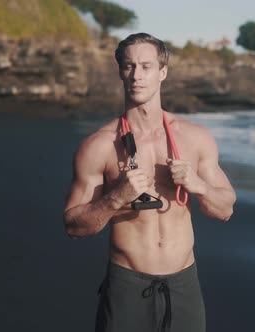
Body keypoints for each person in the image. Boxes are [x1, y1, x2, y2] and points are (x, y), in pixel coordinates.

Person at [63, 32, 236, 332]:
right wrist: (115, 198)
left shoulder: (195, 139)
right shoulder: (100, 146)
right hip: (127, 286)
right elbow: (74, 226)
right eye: (129, 66)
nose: (136, 76)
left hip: (184, 286)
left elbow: (225, 210)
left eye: (146, 66)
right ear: (120, 72)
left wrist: (198, 185)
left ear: (162, 72)